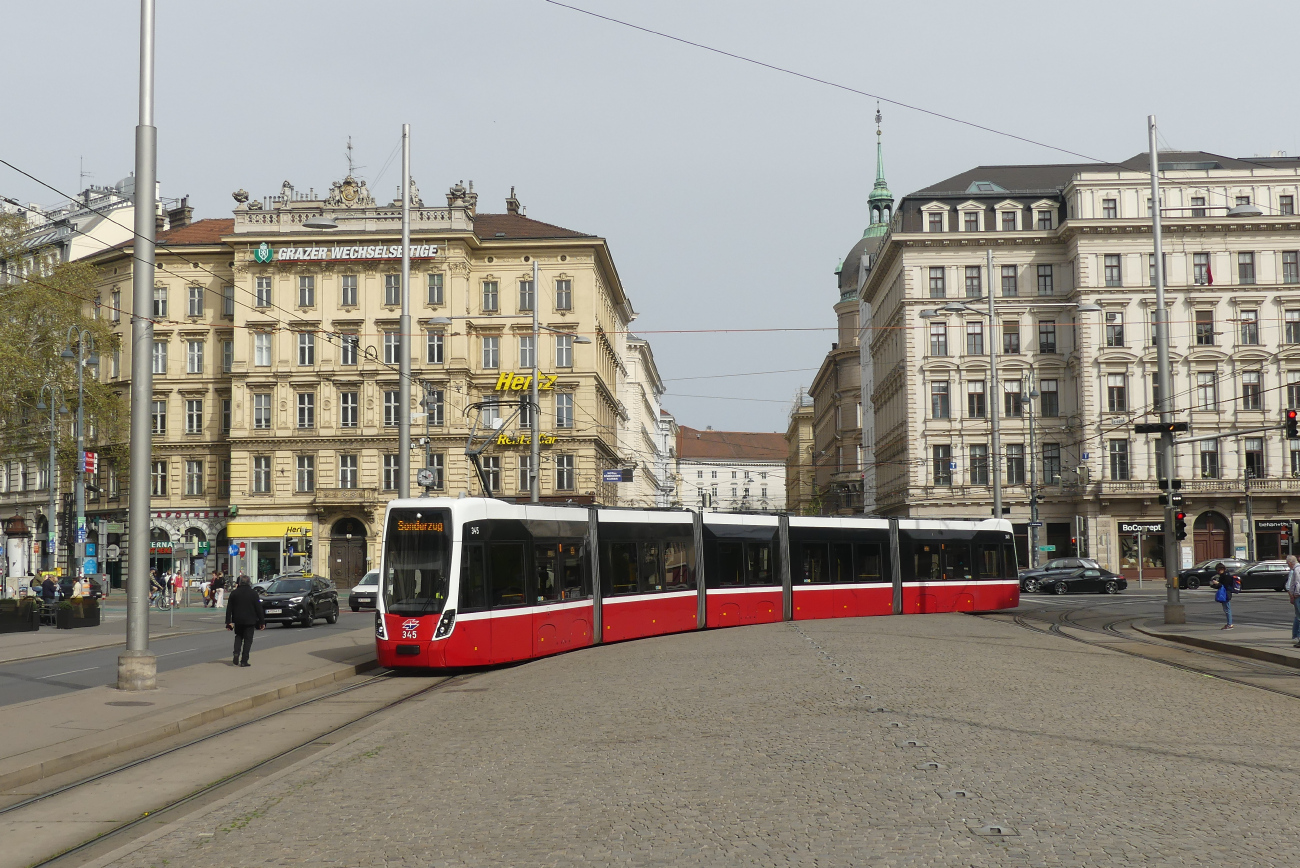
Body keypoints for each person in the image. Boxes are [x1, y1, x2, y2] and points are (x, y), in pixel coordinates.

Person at [225, 575, 265, 667]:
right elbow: (258, 608)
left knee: (238, 636)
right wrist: (262, 622)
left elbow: (229, 608)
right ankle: (244, 660)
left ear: (239, 583)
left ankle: (236, 653)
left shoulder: (234, 593)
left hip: (238, 620)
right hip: (250, 620)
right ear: (249, 583)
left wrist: (228, 622)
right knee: (248, 640)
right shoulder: (253, 593)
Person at [1209, 562, 1240, 629]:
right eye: (1218, 570)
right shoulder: (1222, 576)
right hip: (1224, 593)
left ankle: (1230, 624)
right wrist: (1214, 585)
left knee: (1227, 609)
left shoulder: (1226, 576)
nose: (1219, 571)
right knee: (1226, 609)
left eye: (1220, 569)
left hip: (1226, 593)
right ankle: (1229, 623)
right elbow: (1220, 586)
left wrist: (1218, 583)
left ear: (1223, 569)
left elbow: (1225, 585)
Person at [1287, 555, 1300, 647]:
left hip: (1298, 596)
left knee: (1299, 617)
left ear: (1290, 563)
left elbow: (1297, 583)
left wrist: (1295, 594)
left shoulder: (1296, 570)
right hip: (1296, 595)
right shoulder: (1295, 569)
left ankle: (1297, 636)